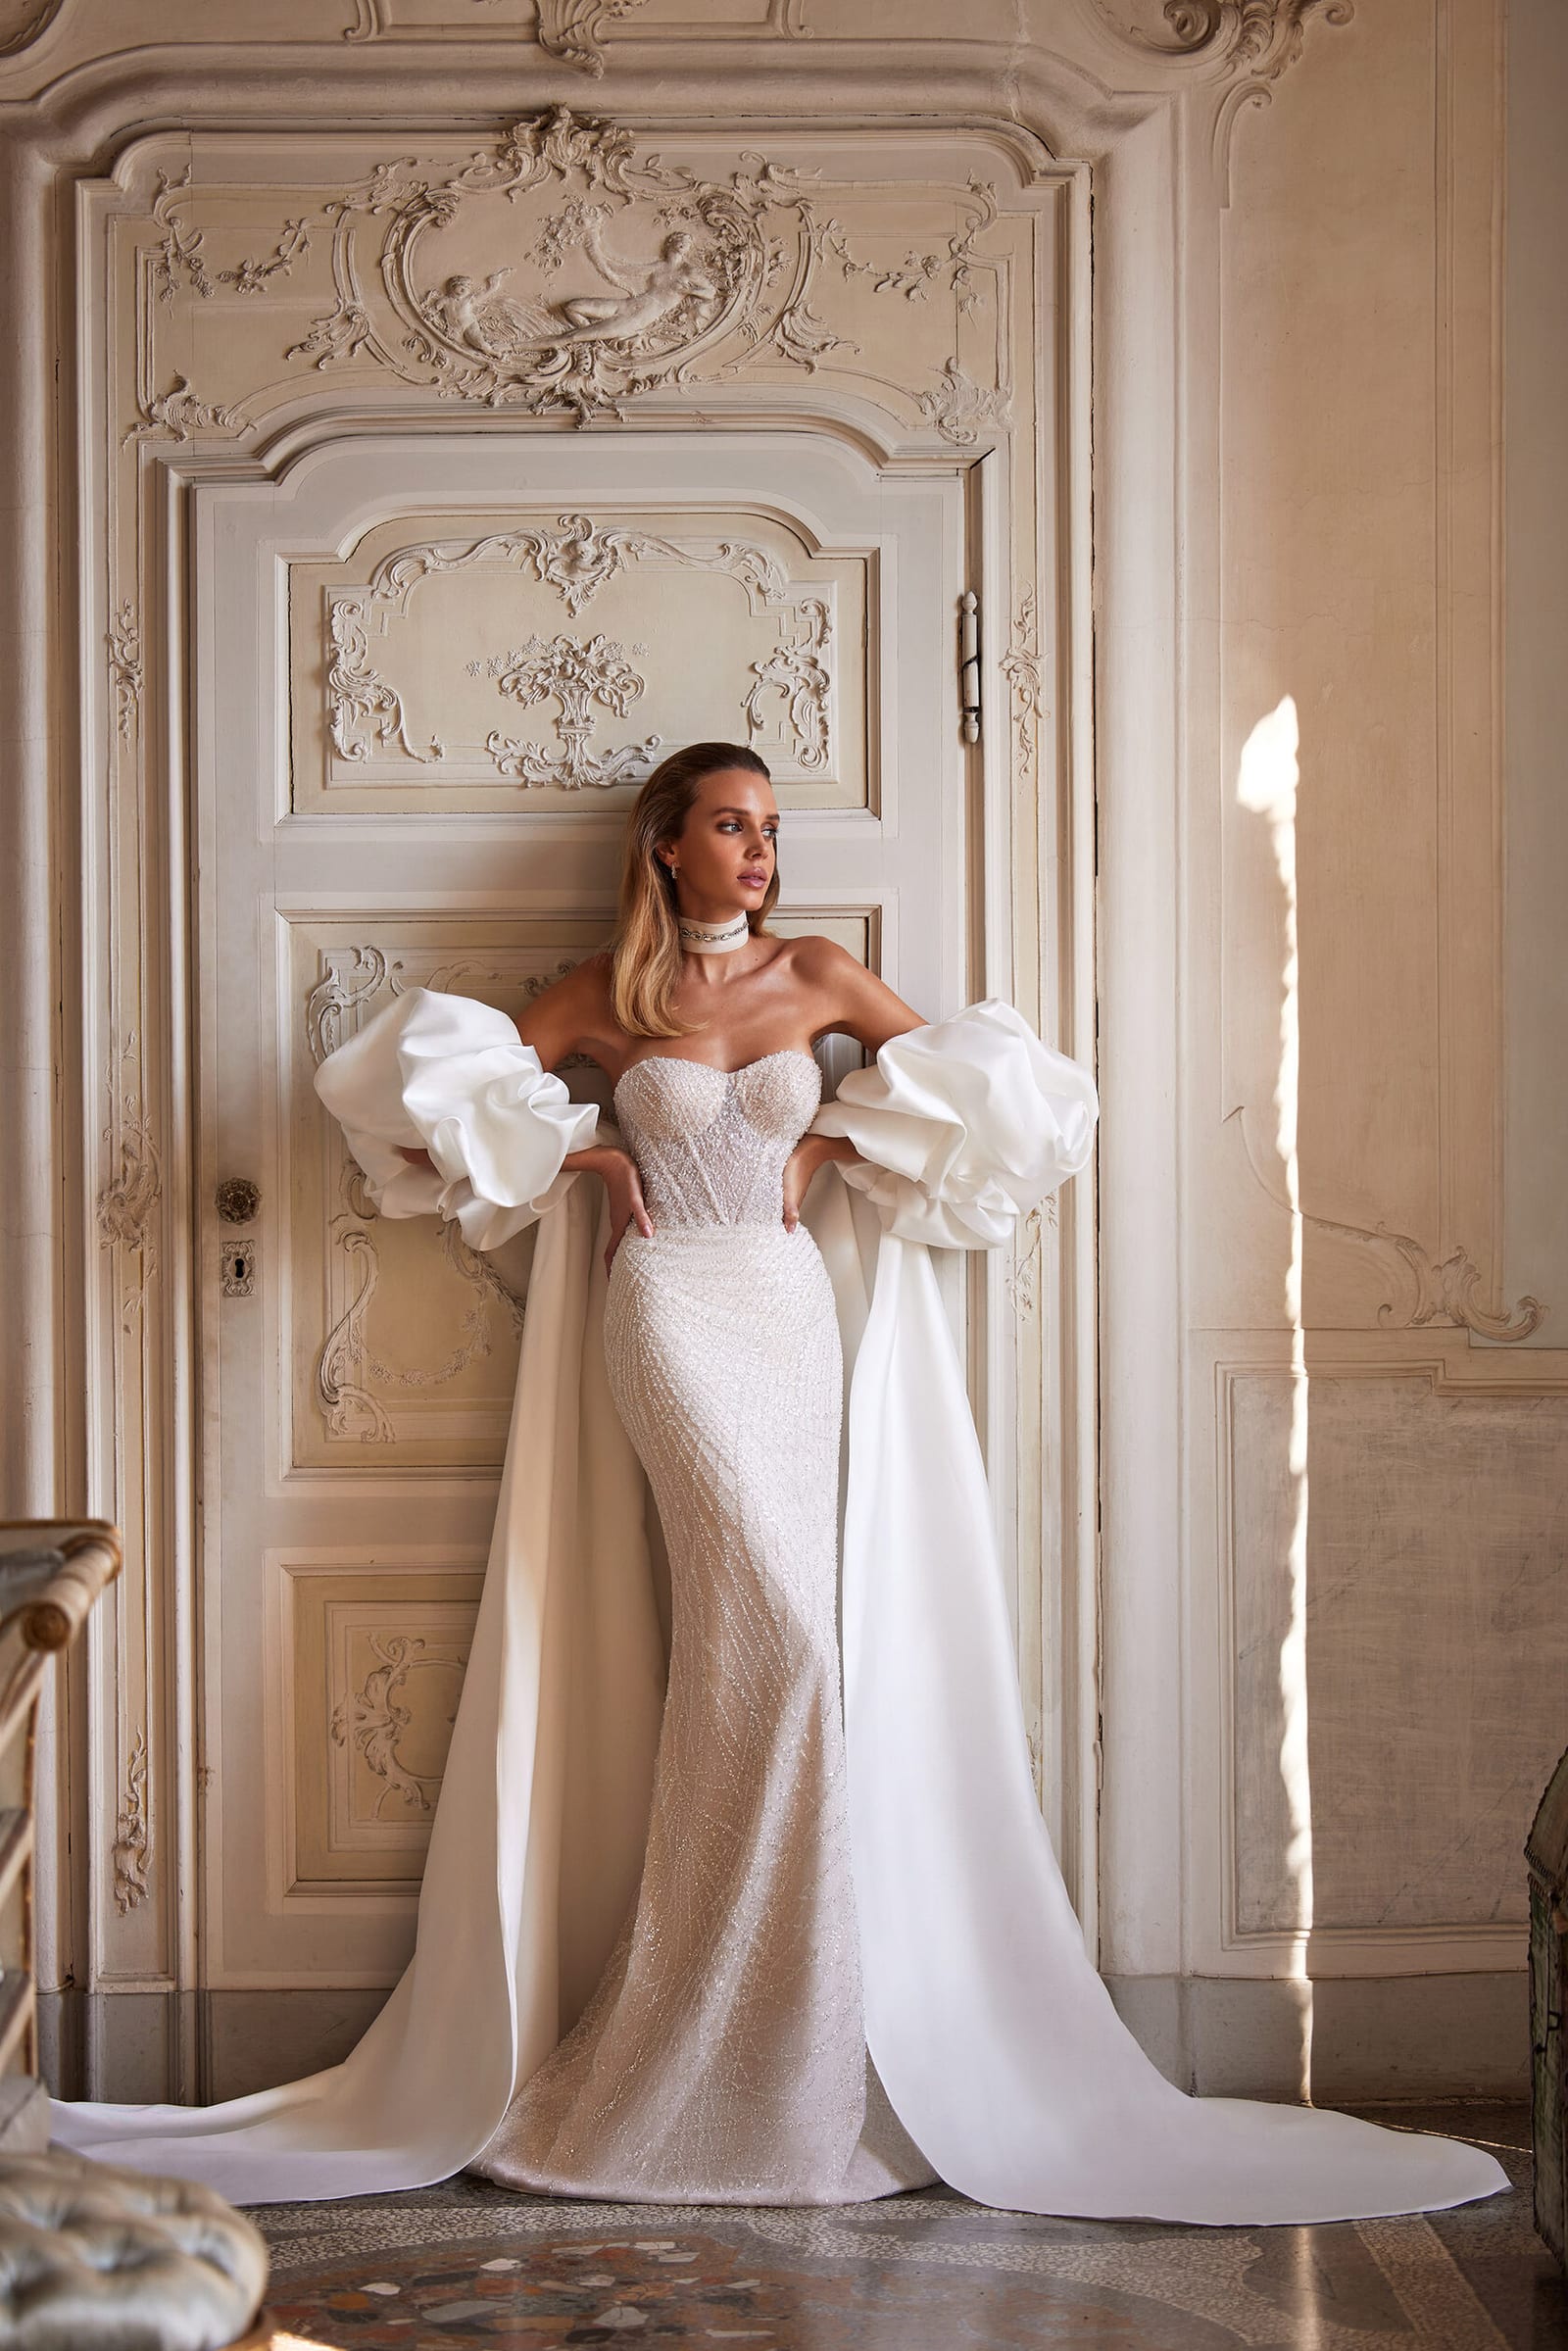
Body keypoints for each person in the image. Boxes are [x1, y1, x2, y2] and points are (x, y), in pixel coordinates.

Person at [49, 741, 1508, 2224]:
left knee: (783, 1657)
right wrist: (588, 1162)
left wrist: (834, 1123)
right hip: (670, 1313)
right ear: (665, 846)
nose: (758, 852)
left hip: (790, 1315)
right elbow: (410, 1090)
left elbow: (1014, 1096)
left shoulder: (817, 973)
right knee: (781, 1646)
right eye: (730, 828)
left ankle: (772, 2052)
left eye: (768, 828)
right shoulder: (608, 1001)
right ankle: (693, 2049)